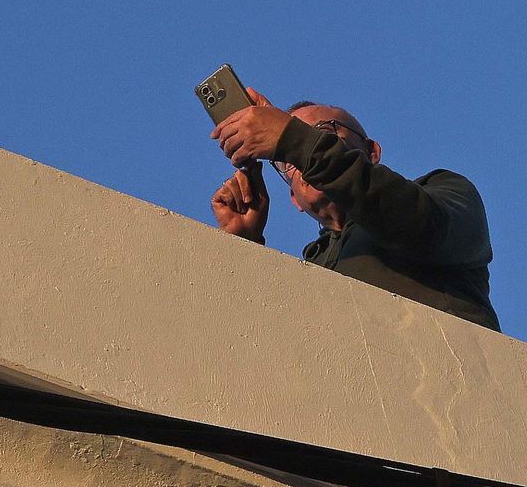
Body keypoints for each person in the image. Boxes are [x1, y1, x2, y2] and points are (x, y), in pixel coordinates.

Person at [209, 88, 499, 331]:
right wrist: (244, 246)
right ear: (294, 198)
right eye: (286, 160)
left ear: (372, 152)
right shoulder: (310, 270)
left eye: (322, 133)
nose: (298, 159)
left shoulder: (445, 190)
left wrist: (293, 139)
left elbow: (420, 225)